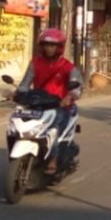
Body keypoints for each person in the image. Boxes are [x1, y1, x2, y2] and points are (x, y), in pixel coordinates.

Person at [15, 28, 83, 174]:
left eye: (53, 45)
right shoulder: (35, 63)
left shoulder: (67, 67)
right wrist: (16, 93)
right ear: (42, 46)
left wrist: (69, 97)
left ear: (60, 47)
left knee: (53, 126)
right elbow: (24, 85)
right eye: (46, 45)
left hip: (59, 106)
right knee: (17, 120)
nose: (49, 48)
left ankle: (53, 158)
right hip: (38, 104)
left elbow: (77, 87)